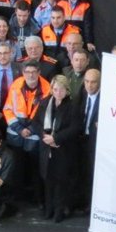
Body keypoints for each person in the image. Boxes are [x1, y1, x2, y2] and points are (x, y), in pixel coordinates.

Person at [33, 74, 79, 221]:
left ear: (67, 90)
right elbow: (35, 122)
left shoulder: (72, 106)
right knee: (47, 180)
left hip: (63, 149)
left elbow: (75, 128)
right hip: (46, 147)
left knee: (60, 181)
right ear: (51, 89)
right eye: (56, 89)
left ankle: (59, 211)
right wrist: (44, 136)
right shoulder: (45, 103)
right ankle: (49, 209)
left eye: (62, 89)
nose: (58, 92)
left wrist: (56, 138)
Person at [76, 68, 101, 208]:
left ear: (100, 83)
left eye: (93, 82)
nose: (89, 85)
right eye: (86, 81)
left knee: (91, 173)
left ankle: (90, 204)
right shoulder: (82, 93)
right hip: (80, 139)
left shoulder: (105, 99)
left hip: (94, 142)